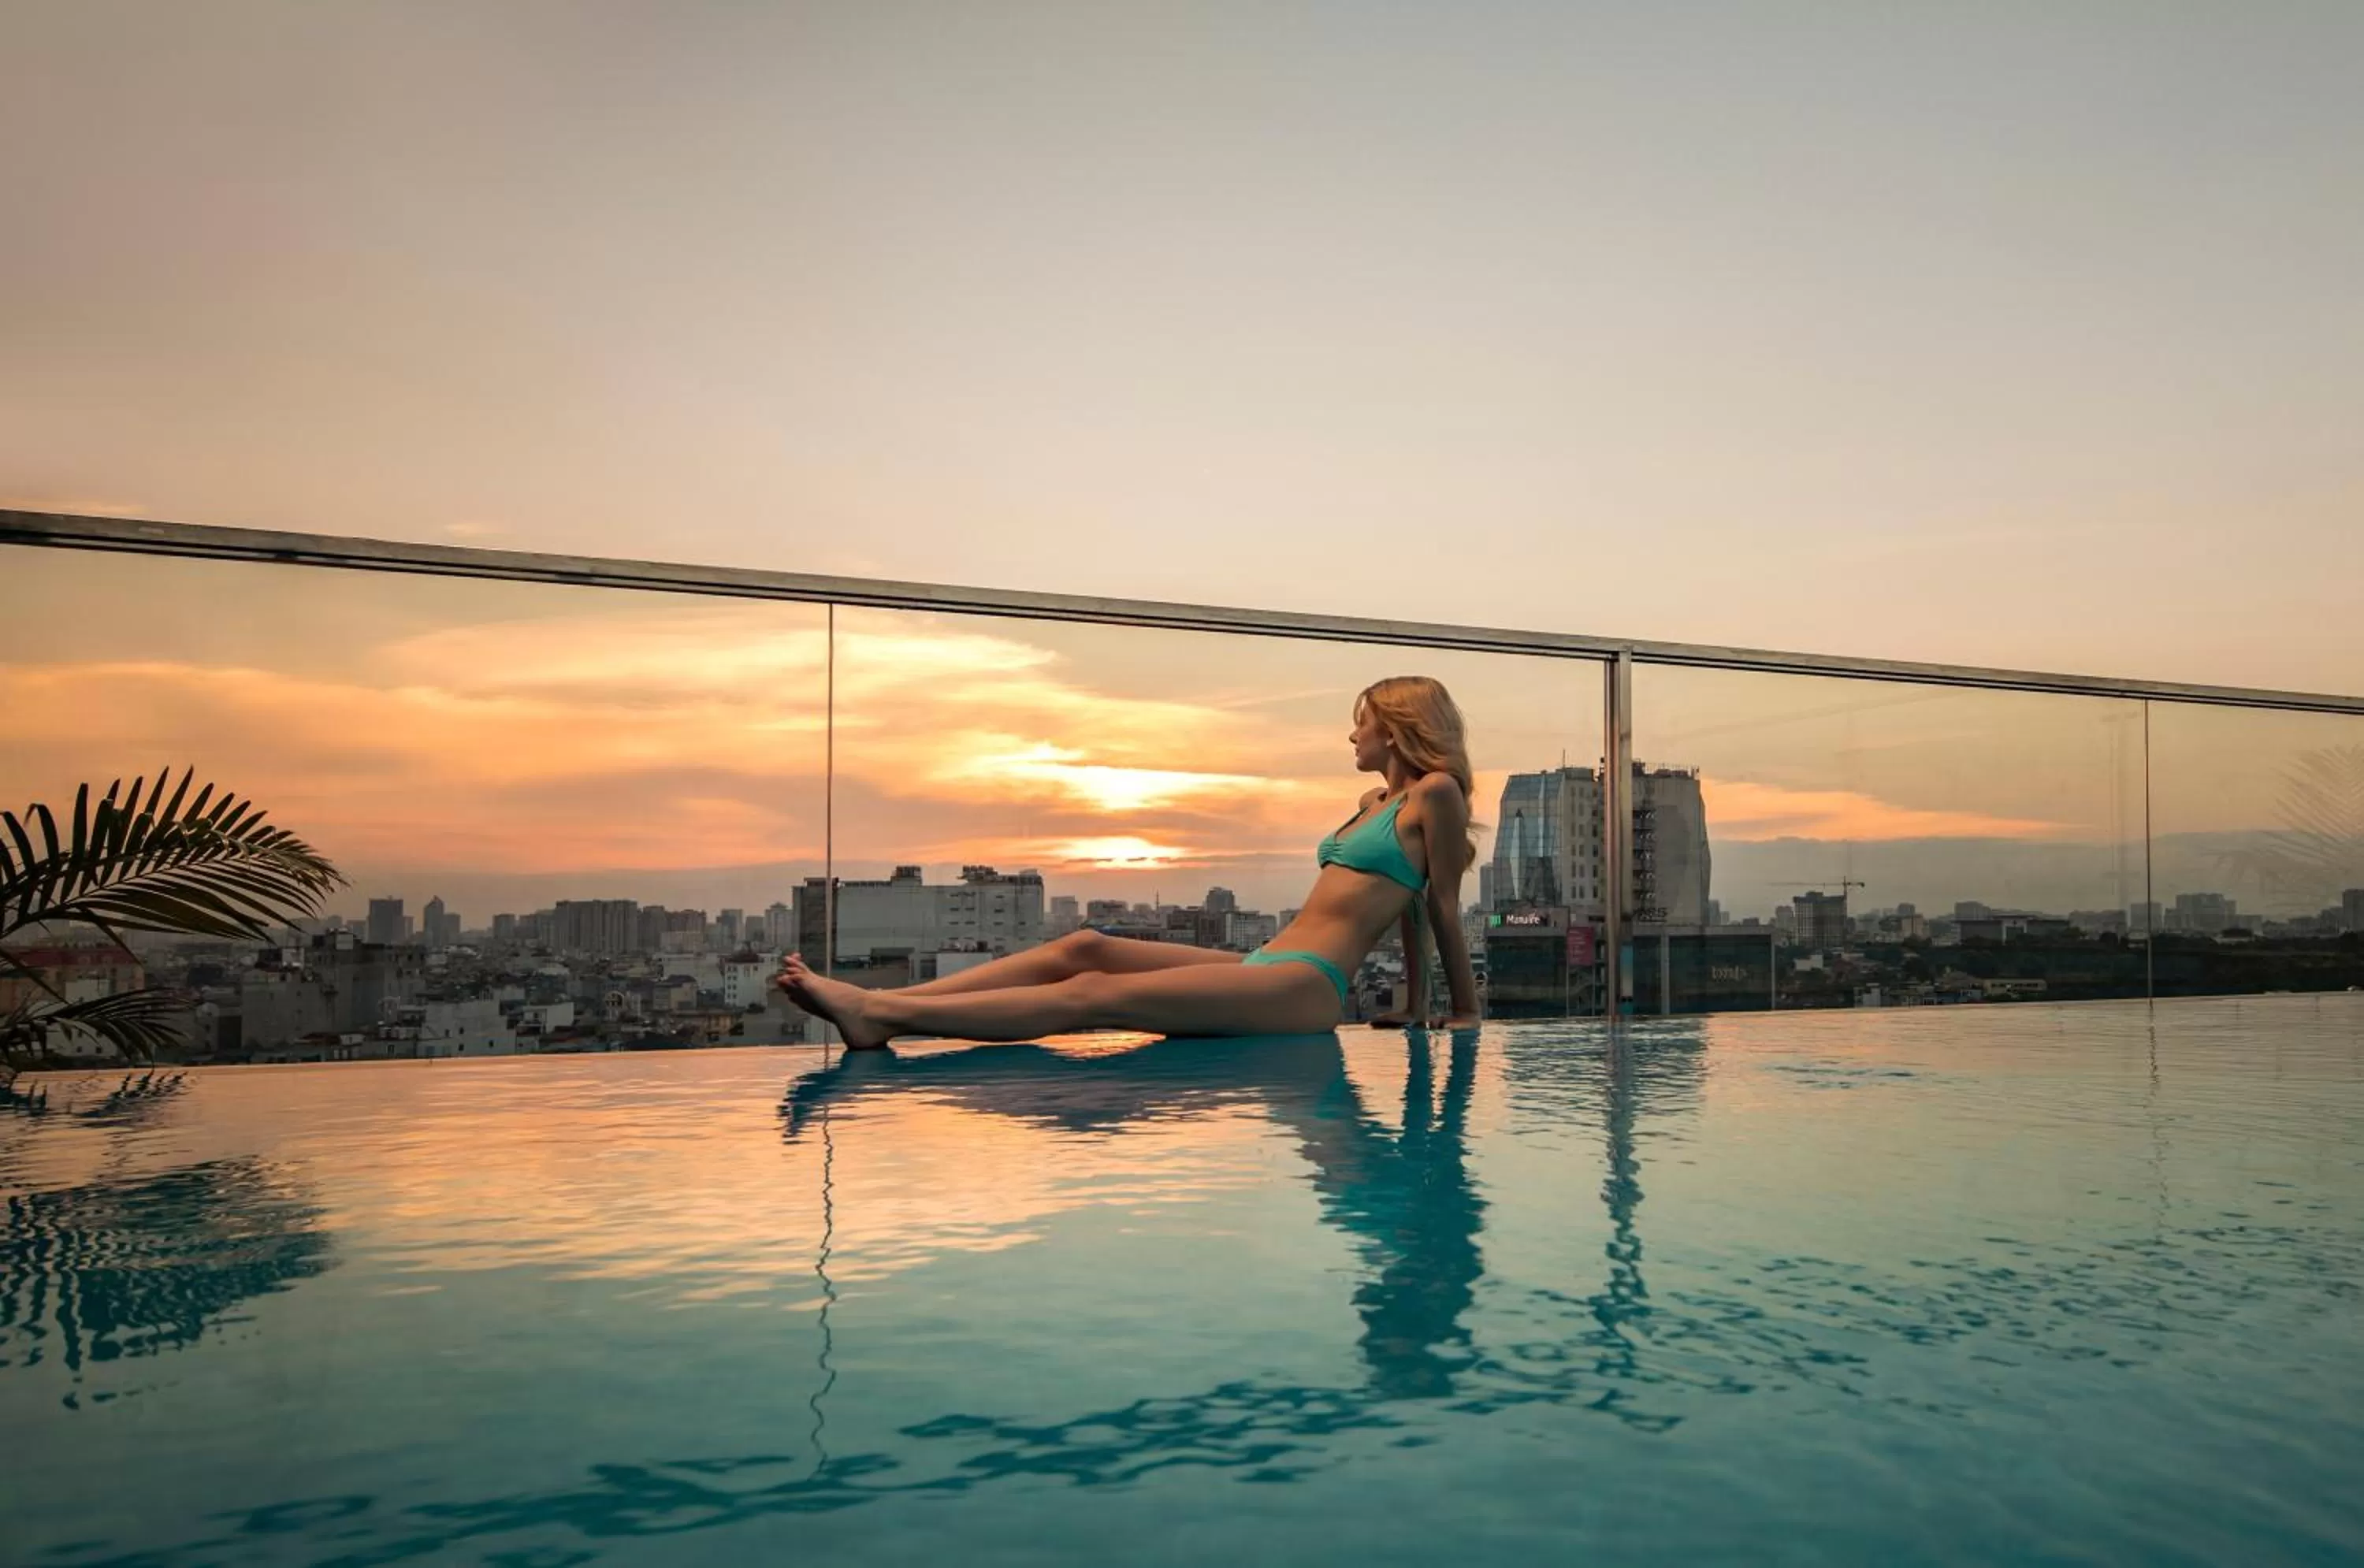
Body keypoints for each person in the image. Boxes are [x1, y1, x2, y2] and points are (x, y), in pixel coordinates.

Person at [775, 675, 1483, 1048]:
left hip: (1310, 985)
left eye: (1360, 721)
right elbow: (1411, 906)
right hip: (1268, 963)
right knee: (1087, 945)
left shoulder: (1437, 794)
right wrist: (1414, 1008)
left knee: (1094, 995)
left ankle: (875, 1010)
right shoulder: (1372, 800)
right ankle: (885, 1012)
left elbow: (1438, 905)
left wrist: (1462, 1012)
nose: (1350, 734)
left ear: (1393, 726)